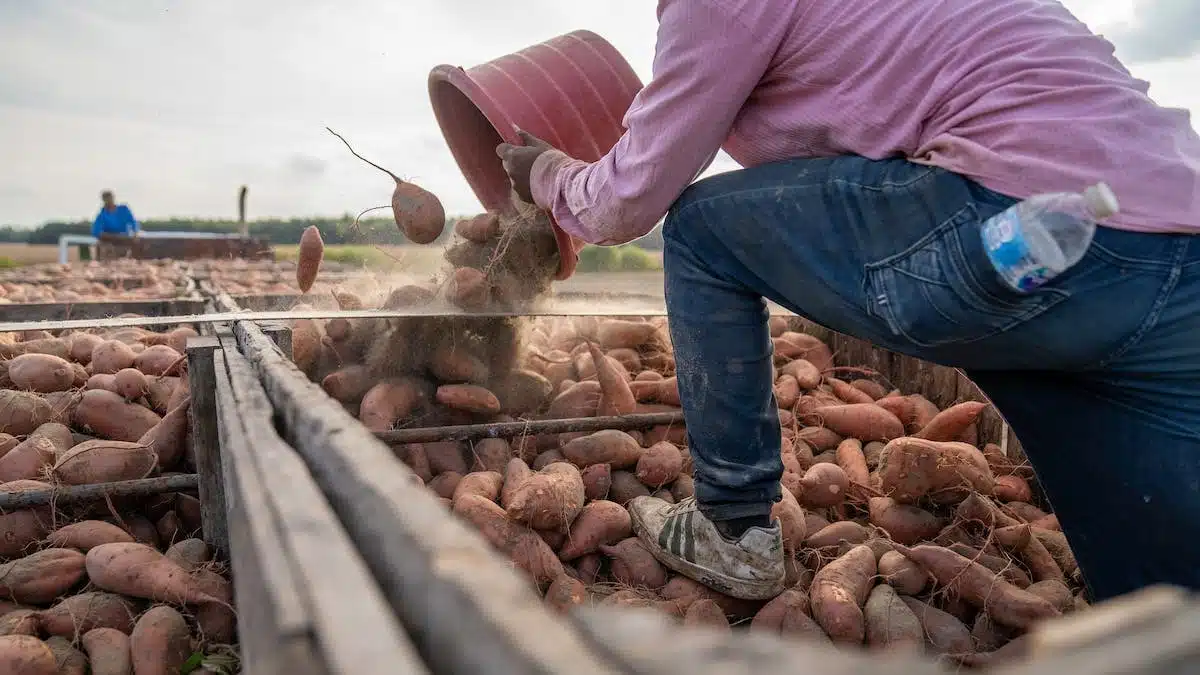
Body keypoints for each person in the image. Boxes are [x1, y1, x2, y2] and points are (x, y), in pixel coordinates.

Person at [497, 0, 1200, 603]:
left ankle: (733, 526)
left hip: (1011, 222)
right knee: (1159, 595)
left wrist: (549, 176)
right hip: (1172, 248)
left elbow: (632, 195)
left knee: (703, 230)